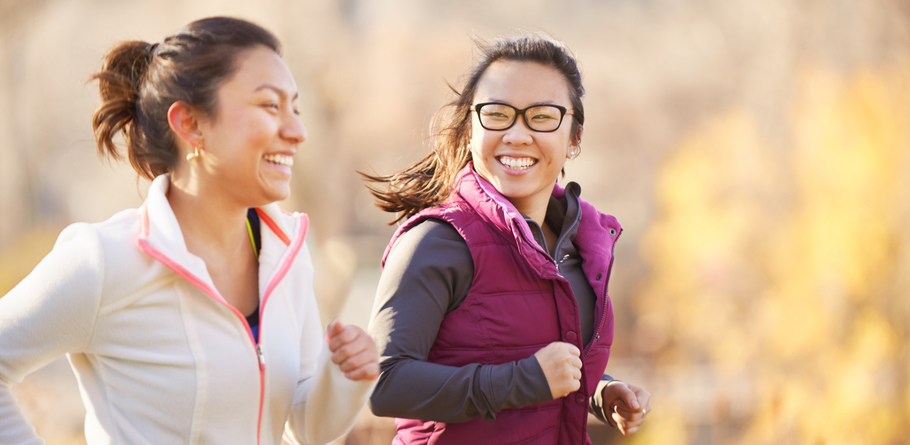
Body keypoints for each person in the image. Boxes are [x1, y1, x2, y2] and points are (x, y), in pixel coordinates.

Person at [0, 16, 378, 445]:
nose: (297, 131)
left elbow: (306, 427)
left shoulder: (288, 255)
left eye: (295, 108)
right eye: (270, 106)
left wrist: (345, 377)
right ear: (191, 124)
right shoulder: (105, 260)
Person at [362, 35, 651, 444]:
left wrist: (599, 391)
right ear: (469, 130)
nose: (517, 134)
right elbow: (382, 382)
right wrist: (524, 380)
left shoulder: (583, 244)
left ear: (574, 139)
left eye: (543, 115)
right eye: (497, 114)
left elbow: (537, 360)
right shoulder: (438, 241)